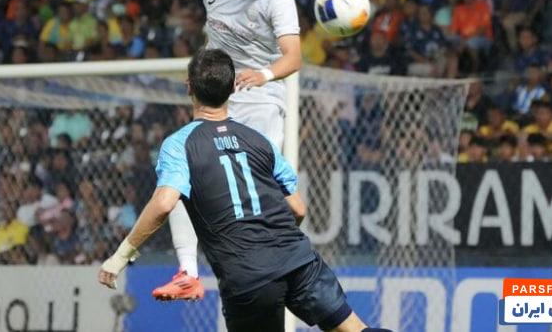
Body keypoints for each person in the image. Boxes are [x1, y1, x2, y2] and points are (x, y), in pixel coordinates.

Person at [98, 50, 387, 332]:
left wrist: (121, 256)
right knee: (354, 329)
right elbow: (298, 208)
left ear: (189, 87)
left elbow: (163, 204)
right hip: (299, 260)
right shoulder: (259, 140)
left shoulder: (180, 145)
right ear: (232, 89)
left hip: (249, 277)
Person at [154, 0, 303, 301]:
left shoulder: (279, 0)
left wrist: (262, 75)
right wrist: (206, 72)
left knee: (259, 189)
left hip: (261, 100)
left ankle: (278, 255)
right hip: (219, 93)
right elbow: (215, 35)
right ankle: (188, 272)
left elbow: (294, 57)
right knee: (183, 175)